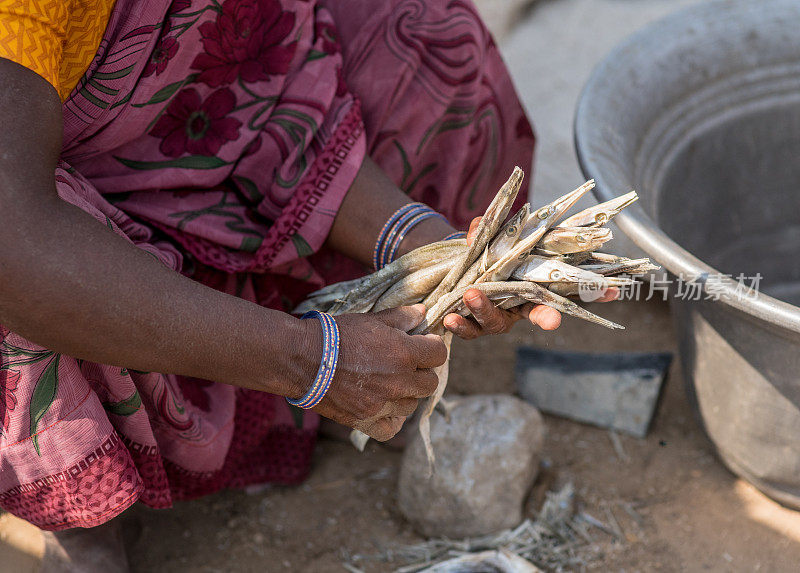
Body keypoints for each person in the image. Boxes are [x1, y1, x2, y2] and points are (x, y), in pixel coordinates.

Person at [0, 0, 612, 568]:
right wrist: (309, 362)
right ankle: (83, 503)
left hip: (164, 139)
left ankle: (303, 366)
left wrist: (436, 253)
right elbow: (17, 251)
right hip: (32, 237)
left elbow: (256, 86)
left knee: (422, 33)